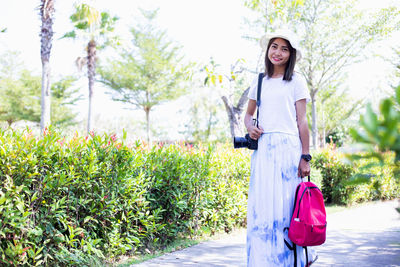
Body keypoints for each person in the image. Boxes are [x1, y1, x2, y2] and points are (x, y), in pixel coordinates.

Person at [245, 29, 315, 266]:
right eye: (274, 46)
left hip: (288, 149)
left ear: (291, 54)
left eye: (284, 48)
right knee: (263, 206)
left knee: (288, 206)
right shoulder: (260, 82)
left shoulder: (297, 80)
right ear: (268, 50)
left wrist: (305, 156)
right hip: (263, 150)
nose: (278, 52)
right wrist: (250, 128)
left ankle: (292, 260)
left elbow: (302, 121)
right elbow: (248, 115)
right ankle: (264, 261)